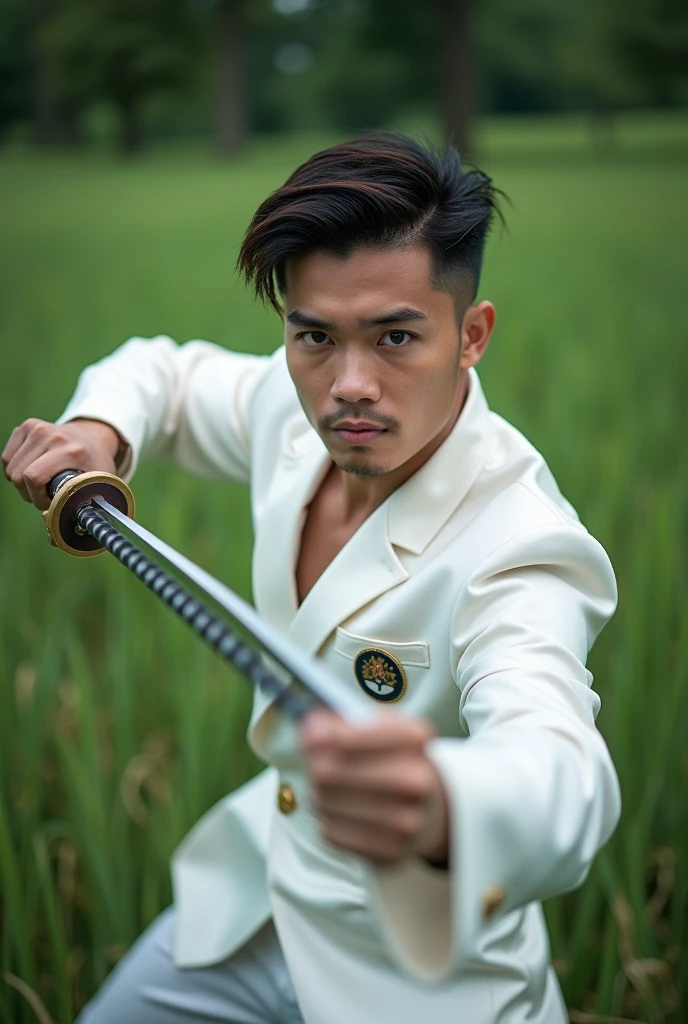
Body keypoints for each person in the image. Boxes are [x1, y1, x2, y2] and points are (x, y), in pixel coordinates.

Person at [2, 133, 621, 1024]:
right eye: (315, 337)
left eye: (397, 337)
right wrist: (94, 432)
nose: (349, 387)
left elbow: (562, 772)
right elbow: (165, 375)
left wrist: (446, 802)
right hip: (252, 908)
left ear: (471, 334)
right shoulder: (291, 421)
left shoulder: (522, 545)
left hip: (417, 983)